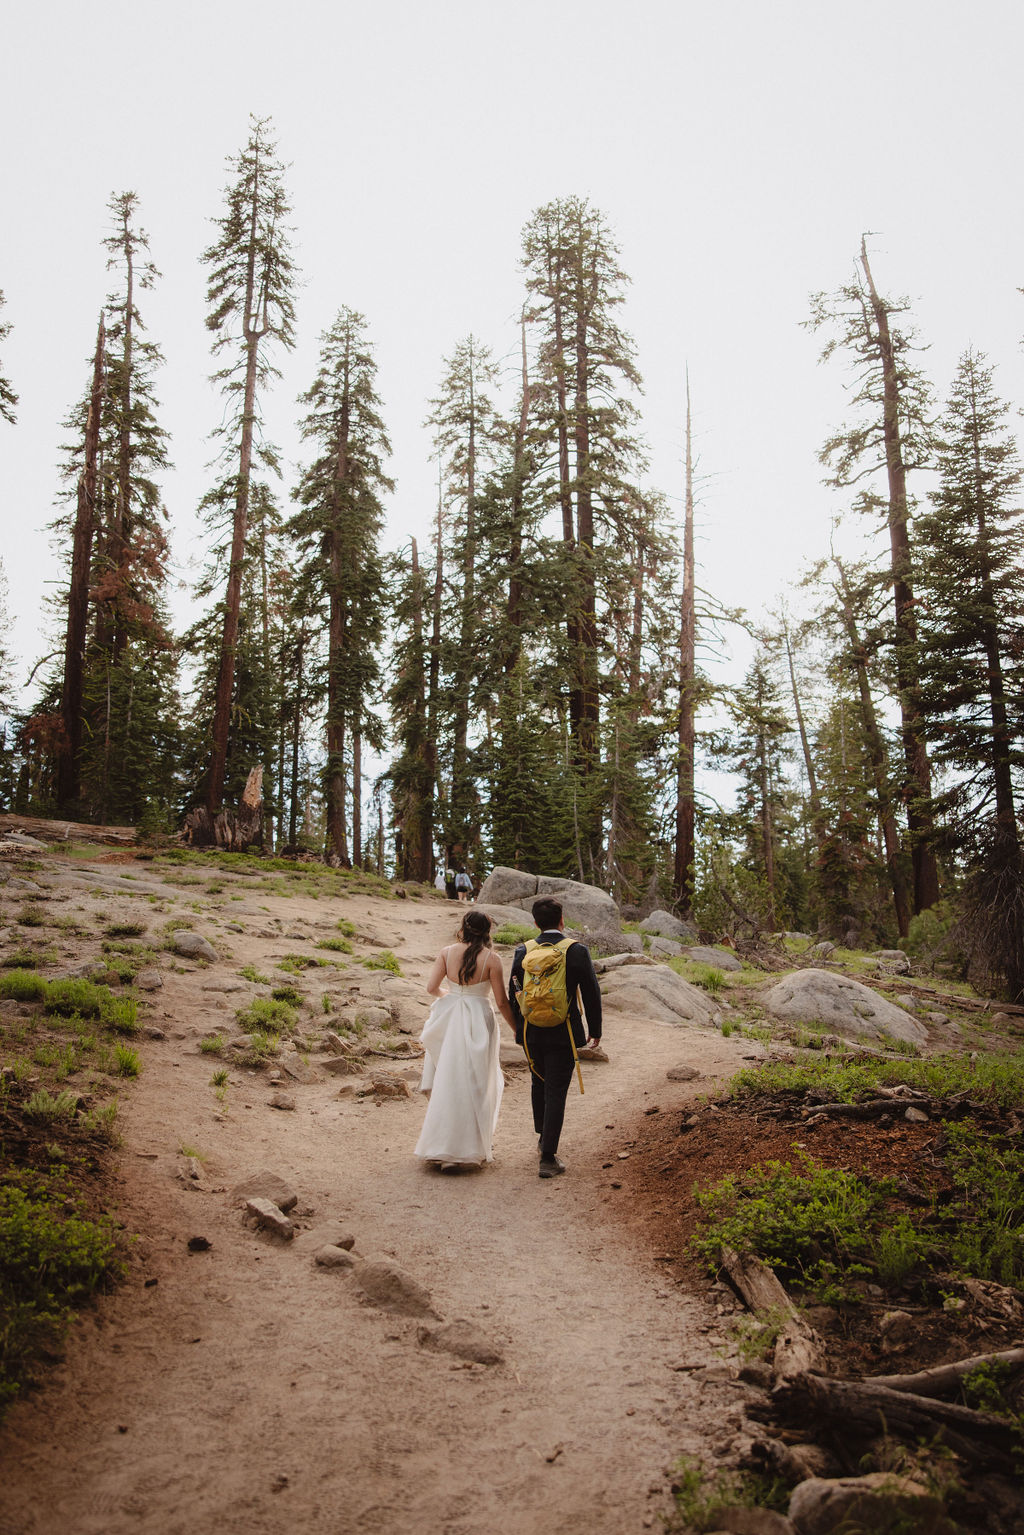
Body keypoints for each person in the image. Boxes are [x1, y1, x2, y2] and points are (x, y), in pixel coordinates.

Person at [414, 909, 518, 1171]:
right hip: (478, 1019)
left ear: (463, 928)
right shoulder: (492, 959)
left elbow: (431, 988)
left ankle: (440, 1146)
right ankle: (467, 1148)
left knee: (447, 1080)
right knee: (476, 1083)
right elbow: (502, 1001)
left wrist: (448, 995)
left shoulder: (446, 952)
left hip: (449, 1016)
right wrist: (517, 1029)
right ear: (487, 932)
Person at [508, 896, 602, 1179]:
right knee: (557, 1091)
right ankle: (548, 1157)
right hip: (565, 1033)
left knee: (539, 1082)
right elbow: (590, 992)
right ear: (562, 921)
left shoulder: (523, 950)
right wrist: (594, 1030)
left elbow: (515, 992)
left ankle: (542, 1138)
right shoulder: (576, 950)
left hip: (531, 1032)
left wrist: (518, 1029)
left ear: (535, 923)